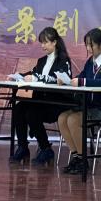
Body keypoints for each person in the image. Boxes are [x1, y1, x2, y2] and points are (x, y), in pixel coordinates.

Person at [56, 28, 101, 175]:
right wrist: (68, 81)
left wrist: (83, 81)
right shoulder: (90, 61)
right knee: (62, 118)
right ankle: (77, 157)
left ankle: (83, 159)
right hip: (89, 106)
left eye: (91, 45)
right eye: (86, 44)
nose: (88, 48)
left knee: (73, 120)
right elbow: (82, 76)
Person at [9, 27, 74, 166]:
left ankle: (45, 148)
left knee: (32, 113)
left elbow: (59, 79)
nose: (43, 46)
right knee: (19, 108)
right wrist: (19, 76)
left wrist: (36, 77)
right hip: (40, 100)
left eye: (45, 42)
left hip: (56, 103)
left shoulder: (63, 60)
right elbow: (34, 73)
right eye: (41, 43)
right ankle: (22, 147)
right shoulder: (41, 60)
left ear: (54, 42)